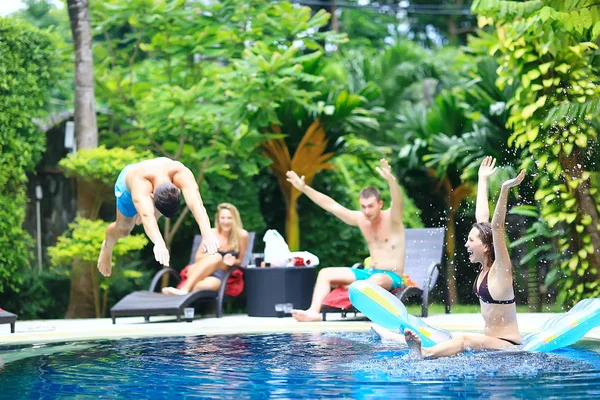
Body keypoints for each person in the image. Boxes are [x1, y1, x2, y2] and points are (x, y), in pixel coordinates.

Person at [402, 157, 526, 359]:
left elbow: (496, 227)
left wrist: (504, 190)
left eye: (470, 240)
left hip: (508, 345)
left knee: (464, 339)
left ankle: (424, 353)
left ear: (486, 246)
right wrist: (482, 180)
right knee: (452, 339)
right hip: (491, 344)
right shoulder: (485, 266)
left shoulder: (501, 270)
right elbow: (483, 221)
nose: (466, 244)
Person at [285, 158, 405, 322]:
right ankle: (313, 312)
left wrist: (391, 180)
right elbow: (331, 205)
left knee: (375, 280)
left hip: (390, 276)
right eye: (363, 206)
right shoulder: (361, 220)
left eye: (370, 206)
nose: (367, 211)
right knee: (325, 273)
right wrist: (304, 188)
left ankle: (352, 288)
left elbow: (397, 201)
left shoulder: (393, 220)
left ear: (380, 204)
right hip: (368, 273)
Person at [97, 157, 220, 277]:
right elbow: (146, 215)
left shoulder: (181, 173)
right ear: (152, 195)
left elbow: (196, 205)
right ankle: (107, 246)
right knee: (124, 230)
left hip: (153, 184)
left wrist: (207, 233)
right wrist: (159, 243)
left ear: (177, 189)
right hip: (128, 188)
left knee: (149, 218)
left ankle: (150, 212)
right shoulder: (140, 183)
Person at [162, 203, 249, 294]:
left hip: (219, 274)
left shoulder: (242, 235)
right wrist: (213, 257)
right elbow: (197, 257)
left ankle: (183, 295)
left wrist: (232, 262)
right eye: (222, 218)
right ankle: (184, 289)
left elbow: (240, 261)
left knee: (209, 285)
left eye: (229, 218)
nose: (226, 221)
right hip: (198, 270)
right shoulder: (211, 233)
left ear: (235, 219)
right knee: (216, 257)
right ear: (218, 219)